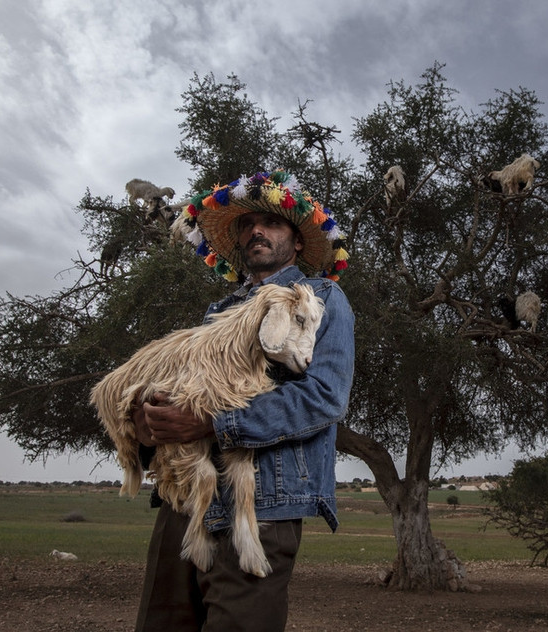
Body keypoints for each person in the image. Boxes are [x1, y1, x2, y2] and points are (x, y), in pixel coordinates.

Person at [131, 170, 355, 631]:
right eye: (248, 224)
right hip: (185, 501)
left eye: (271, 223)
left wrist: (212, 423)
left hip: (260, 508)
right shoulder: (217, 314)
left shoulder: (321, 298)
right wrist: (150, 423)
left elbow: (323, 398)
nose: (257, 231)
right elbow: (189, 395)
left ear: (296, 242)